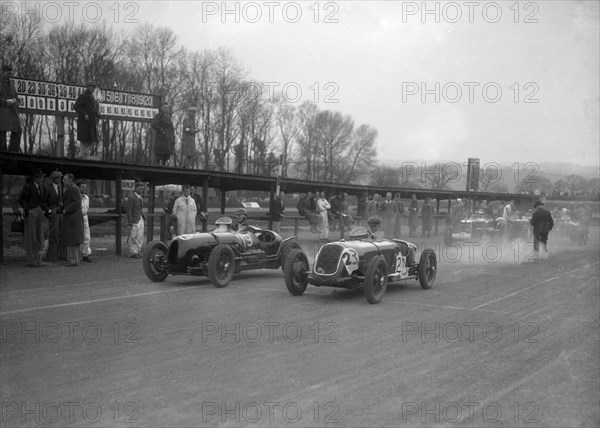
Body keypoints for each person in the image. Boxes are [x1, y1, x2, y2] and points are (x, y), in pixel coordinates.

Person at [18, 168, 50, 267]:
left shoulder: (41, 187)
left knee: (39, 235)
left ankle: (37, 259)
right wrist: (28, 210)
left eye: (41, 177)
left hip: (39, 212)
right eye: (39, 177)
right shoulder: (28, 187)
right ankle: (31, 260)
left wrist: (47, 210)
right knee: (31, 236)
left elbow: (42, 201)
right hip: (32, 212)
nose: (41, 179)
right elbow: (22, 200)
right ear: (34, 178)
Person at [61, 174, 84, 266]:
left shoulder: (73, 188)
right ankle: (73, 259)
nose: (63, 181)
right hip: (71, 216)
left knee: (73, 239)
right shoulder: (69, 188)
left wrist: (66, 209)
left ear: (70, 180)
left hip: (73, 217)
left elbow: (77, 202)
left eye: (65, 179)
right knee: (71, 238)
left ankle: (73, 260)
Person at [74, 80, 101, 159]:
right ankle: (81, 158)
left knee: (90, 141)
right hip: (85, 124)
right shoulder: (83, 96)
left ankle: (80, 157)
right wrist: (84, 114)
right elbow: (76, 106)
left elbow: (92, 108)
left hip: (91, 123)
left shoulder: (92, 97)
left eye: (94, 88)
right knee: (84, 141)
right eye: (92, 87)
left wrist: (97, 113)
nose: (93, 89)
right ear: (88, 87)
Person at [0, 64, 22, 152]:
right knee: (1, 133)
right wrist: (5, 102)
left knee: (18, 129)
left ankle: (13, 153)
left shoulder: (12, 83)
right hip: (1, 111)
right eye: (7, 73)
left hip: (12, 111)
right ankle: (3, 154)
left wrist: (17, 100)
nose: (9, 75)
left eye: (10, 73)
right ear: (2, 72)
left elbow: (15, 95)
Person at [43, 170, 64, 261]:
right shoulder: (47, 188)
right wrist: (49, 210)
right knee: (53, 235)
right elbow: (43, 202)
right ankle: (50, 256)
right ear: (54, 178)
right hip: (53, 214)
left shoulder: (60, 187)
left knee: (60, 234)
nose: (60, 179)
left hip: (59, 213)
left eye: (60, 177)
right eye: (58, 178)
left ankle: (57, 254)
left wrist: (61, 205)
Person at [152, 101, 175, 166]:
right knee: (159, 153)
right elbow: (154, 125)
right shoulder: (158, 116)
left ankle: (164, 166)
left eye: (167, 107)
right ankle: (157, 166)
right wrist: (161, 130)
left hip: (168, 138)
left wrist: (172, 135)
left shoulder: (169, 117)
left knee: (166, 154)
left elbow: (171, 126)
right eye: (164, 107)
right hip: (161, 137)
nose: (166, 109)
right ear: (161, 107)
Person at [126, 182, 145, 258]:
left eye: (142, 189)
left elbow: (140, 208)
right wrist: (130, 221)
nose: (141, 190)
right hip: (134, 219)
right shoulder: (131, 197)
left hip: (140, 218)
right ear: (136, 188)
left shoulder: (141, 198)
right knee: (133, 236)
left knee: (140, 236)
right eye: (140, 188)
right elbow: (128, 210)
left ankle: (137, 251)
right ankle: (133, 252)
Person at [78, 180, 92, 262]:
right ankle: (76, 254)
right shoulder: (76, 196)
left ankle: (85, 254)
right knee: (78, 235)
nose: (84, 189)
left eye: (85, 187)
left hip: (85, 216)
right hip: (78, 216)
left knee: (87, 236)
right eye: (83, 187)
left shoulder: (86, 198)